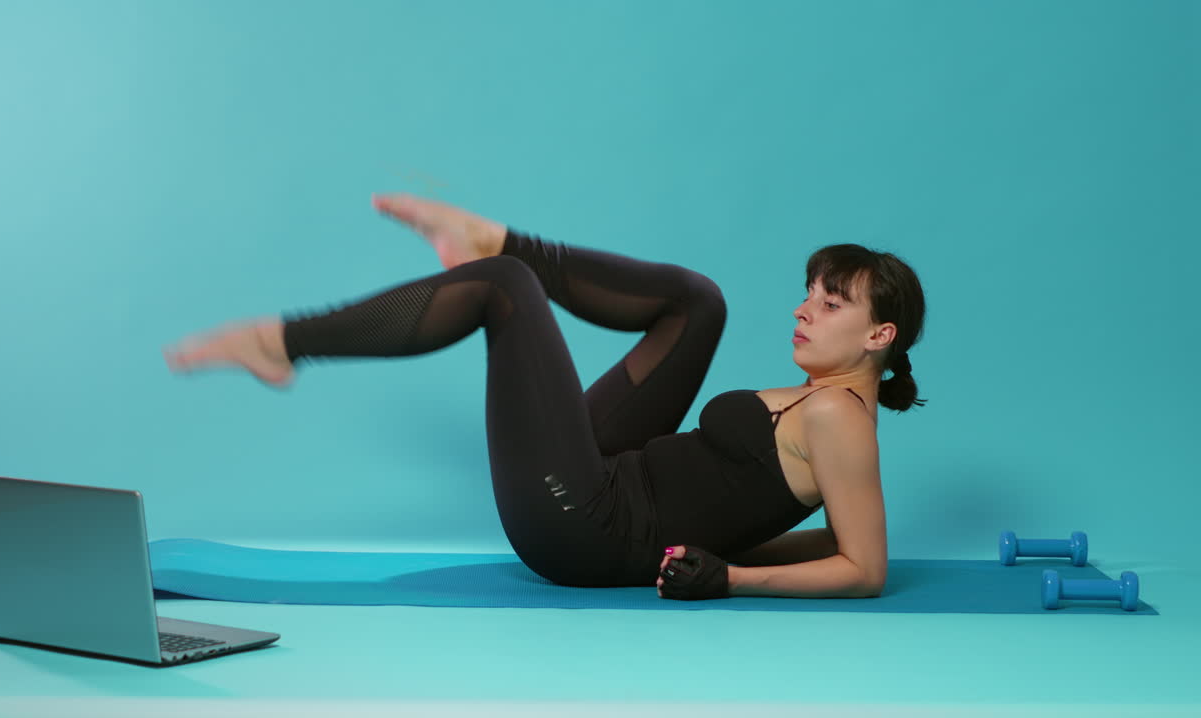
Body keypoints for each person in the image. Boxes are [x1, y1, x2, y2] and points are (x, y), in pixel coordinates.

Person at [163, 194, 926, 600]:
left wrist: (730, 578)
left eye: (832, 305)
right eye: (808, 295)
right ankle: (494, 239)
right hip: (611, 480)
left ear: (878, 336)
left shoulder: (838, 417)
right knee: (701, 304)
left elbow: (863, 568)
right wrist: (731, 552)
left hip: (586, 525)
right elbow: (829, 539)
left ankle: (284, 342)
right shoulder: (810, 398)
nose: (803, 311)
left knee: (502, 292)